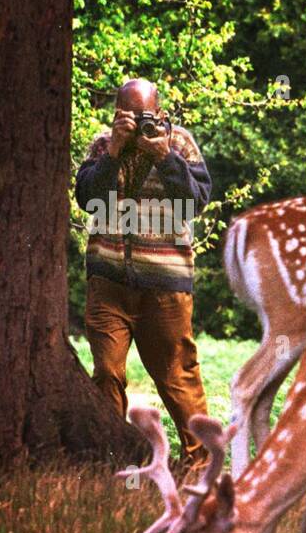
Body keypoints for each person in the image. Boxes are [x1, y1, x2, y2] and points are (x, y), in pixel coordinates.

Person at [75, 78, 213, 470]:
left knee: (178, 376)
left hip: (165, 287)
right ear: (116, 113)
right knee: (106, 373)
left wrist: (165, 157)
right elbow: (88, 198)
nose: (137, 123)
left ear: (162, 114)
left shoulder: (180, 144)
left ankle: (200, 467)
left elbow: (195, 203)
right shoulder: (104, 145)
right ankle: (110, 461)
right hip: (108, 283)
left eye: (145, 115)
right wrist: (114, 153)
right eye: (128, 115)